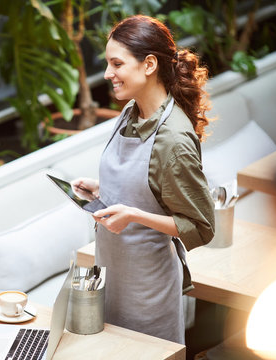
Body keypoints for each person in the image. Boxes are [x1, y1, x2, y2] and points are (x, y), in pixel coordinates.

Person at [72, 15, 215, 344]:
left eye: (116, 64)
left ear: (149, 64)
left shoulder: (174, 140)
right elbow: (146, 188)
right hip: (111, 280)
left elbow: (201, 226)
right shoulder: (130, 112)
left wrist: (134, 215)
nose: (108, 74)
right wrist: (101, 189)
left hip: (147, 294)